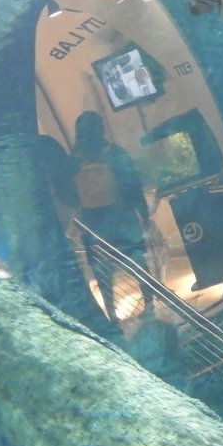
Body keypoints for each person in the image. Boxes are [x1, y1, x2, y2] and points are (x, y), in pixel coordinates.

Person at [64, 111, 153, 322]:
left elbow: (68, 195)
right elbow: (133, 186)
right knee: (137, 261)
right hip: (121, 215)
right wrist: (144, 214)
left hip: (91, 221)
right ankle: (149, 306)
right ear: (101, 129)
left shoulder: (73, 162)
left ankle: (112, 315)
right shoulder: (115, 154)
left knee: (101, 270)